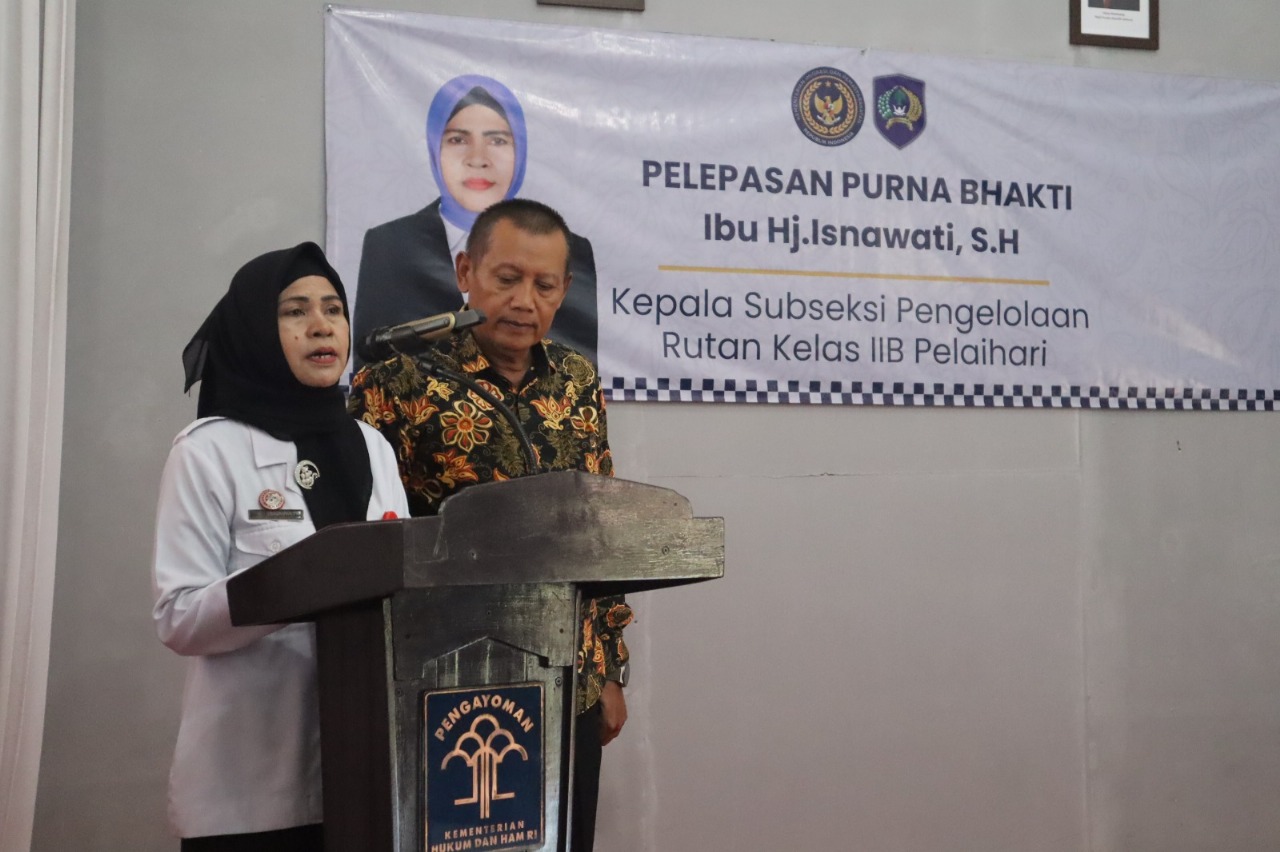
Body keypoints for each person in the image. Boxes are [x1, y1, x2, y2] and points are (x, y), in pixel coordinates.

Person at [348, 199, 630, 852]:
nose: (525, 301)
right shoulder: (398, 381)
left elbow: (600, 532)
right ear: (465, 272)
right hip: (443, 681)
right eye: (507, 278)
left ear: (564, 290)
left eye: (545, 285)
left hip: (569, 677)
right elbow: (363, 543)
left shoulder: (576, 383)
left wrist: (612, 670)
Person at [152, 242, 409, 851]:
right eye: (295, 311)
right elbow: (178, 617)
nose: (321, 325)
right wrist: (298, 584)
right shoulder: (208, 451)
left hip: (371, 774)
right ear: (255, 331)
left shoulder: (373, 445)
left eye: (333, 309)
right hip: (250, 791)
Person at [353, 74, 599, 369]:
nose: (478, 158)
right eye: (458, 140)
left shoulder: (576, 380)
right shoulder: (389, 244)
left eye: (497, 140)